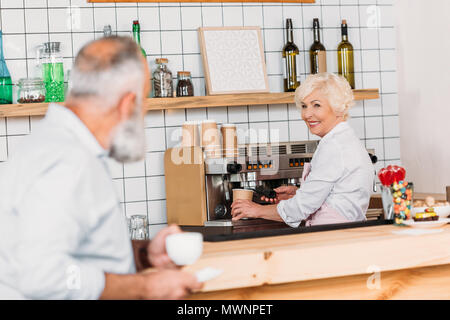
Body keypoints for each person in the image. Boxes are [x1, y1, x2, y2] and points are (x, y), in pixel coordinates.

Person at [0, 36, 201, 299]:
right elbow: (42, 275)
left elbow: (73, 253)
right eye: (144, 103)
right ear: (127, 104)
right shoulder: (67, 160)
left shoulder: (53, 145)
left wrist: (144, 254)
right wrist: (146, 288)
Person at [231, 73, 374, 227]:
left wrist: (256, 210)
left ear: (338, 108)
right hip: (343, 233)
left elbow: (301, 208)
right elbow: (336, 194)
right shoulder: (344, 140)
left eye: (316, 105)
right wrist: (298, 193)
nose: (306, 114)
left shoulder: (334, 146)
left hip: (331, 237)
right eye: (304, 106)